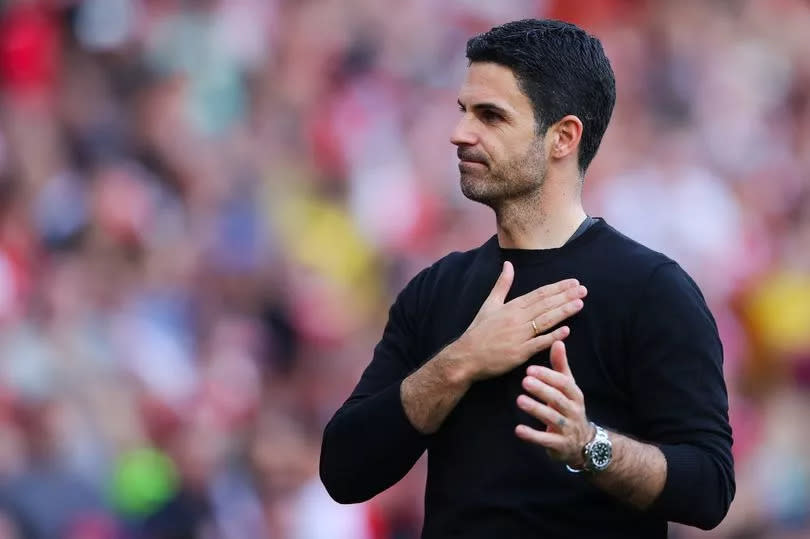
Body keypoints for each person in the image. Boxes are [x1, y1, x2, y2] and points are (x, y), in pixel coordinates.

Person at [319, 19, 734, 538]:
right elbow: (343, 469)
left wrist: (589, 446)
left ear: (563, 137)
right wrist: (461, 362)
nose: (460, 133)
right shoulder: (436, 289)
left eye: (491, 116)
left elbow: (710, 488)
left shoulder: (653, 290)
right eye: (464, 111)